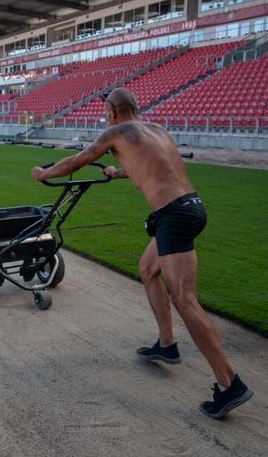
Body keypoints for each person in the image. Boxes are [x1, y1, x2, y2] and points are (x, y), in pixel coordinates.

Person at [31, 87, 253, 420]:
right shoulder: (157, 130)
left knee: (185, 299)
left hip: (173, 217)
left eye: (107, 110)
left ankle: (228, 382)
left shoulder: (115, 132)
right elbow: (154, 168)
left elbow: (78, 160)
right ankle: (166, 344)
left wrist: (45, 173)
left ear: (112, 110)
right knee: (148, 269)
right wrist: (116, 172)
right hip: (190, 207)